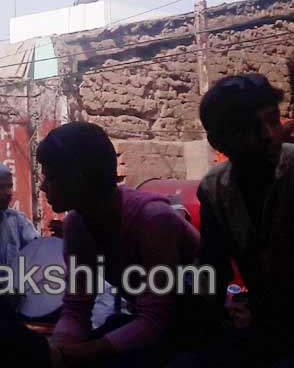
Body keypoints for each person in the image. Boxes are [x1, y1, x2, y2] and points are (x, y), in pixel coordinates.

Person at [40, 122, 200, 368]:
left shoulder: (152, 219)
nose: (43, 186)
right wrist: (58, 350)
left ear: (78, 178)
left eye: (50, 177)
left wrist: (69, 356)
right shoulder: (77, 225)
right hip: (150, 326)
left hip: (196, 324)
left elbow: (157, 319)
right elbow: (76, 309)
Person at [181, 73, 294, 366]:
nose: (269, 135)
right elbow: (213, 269)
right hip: (268, 331)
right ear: (218, 141)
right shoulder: (215, 189)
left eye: (273, 119)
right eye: (248, 128)